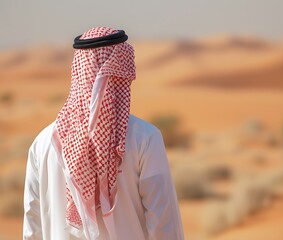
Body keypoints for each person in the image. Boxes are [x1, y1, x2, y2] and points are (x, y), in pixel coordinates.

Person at [23, 27, 184, 240]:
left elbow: (32, 226)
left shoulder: (44, 142)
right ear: (121, 72)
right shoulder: (144, 138)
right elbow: (164, 222)